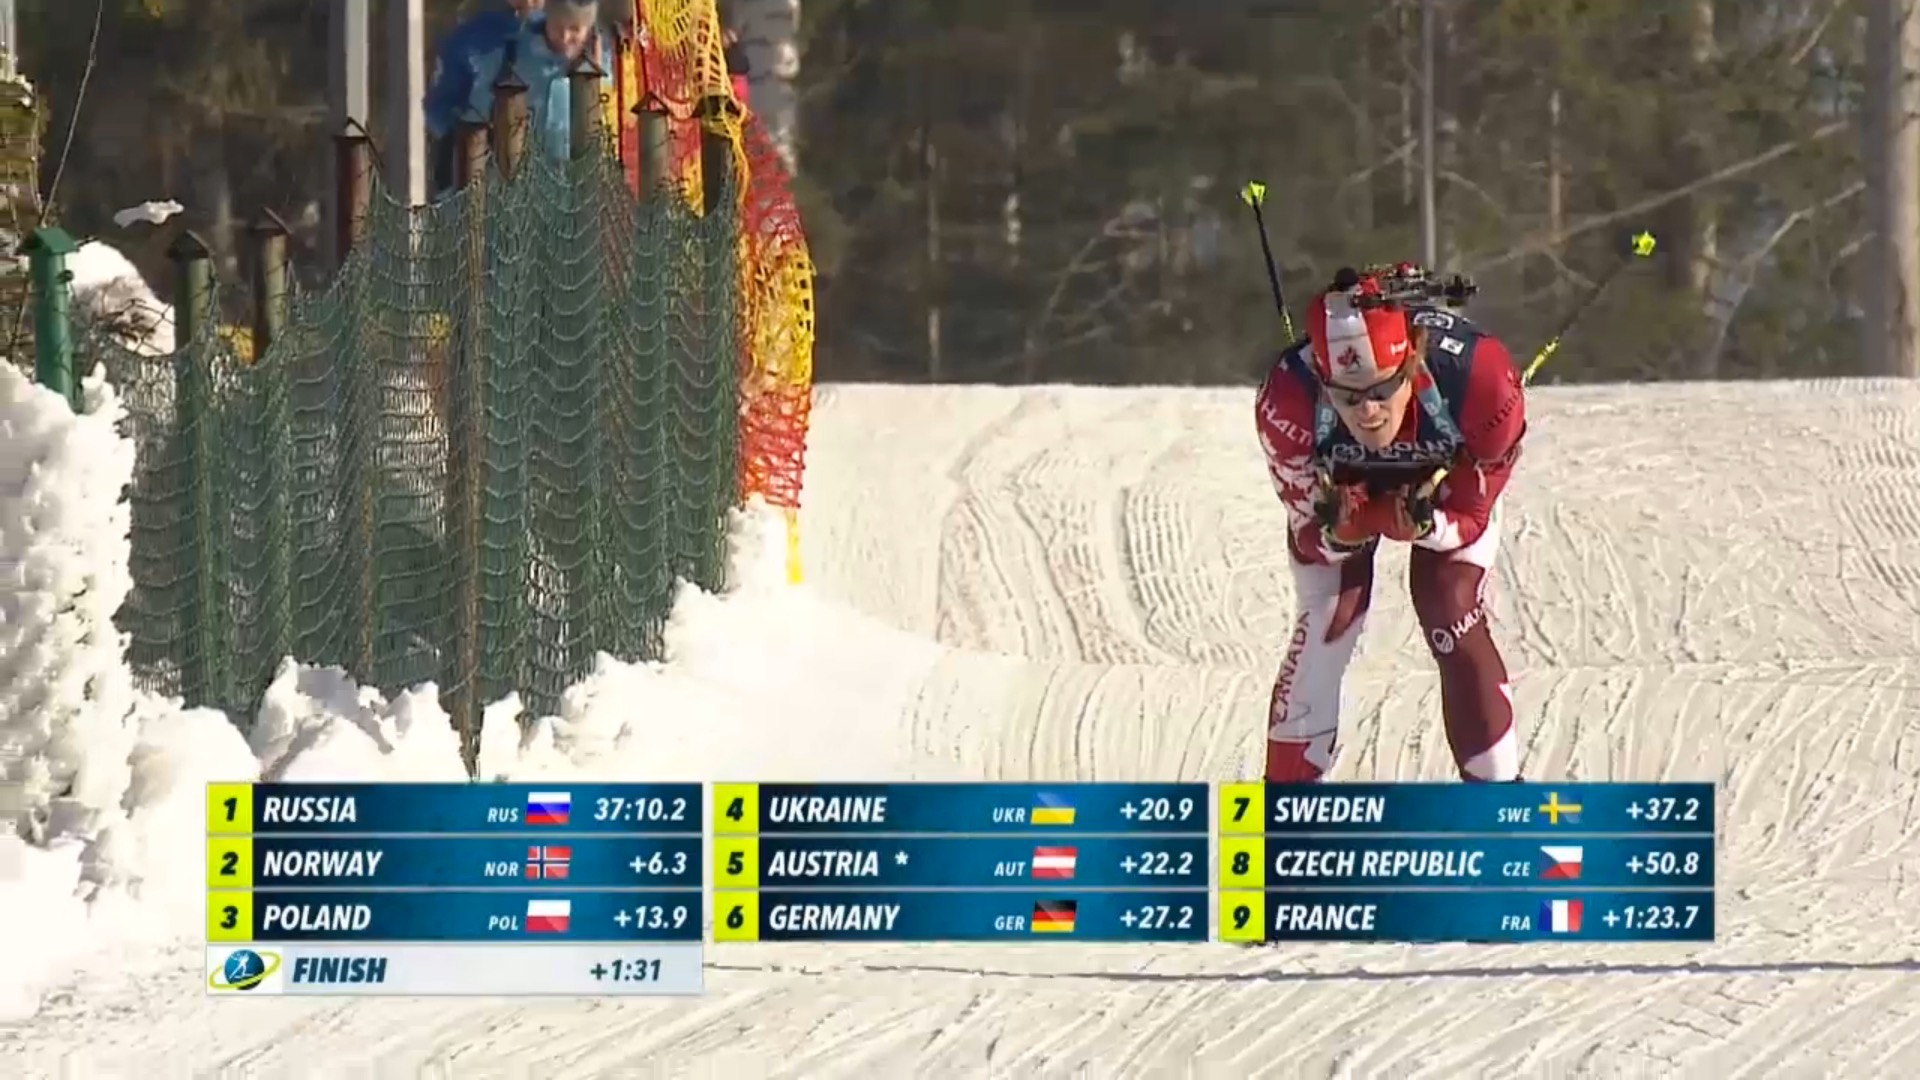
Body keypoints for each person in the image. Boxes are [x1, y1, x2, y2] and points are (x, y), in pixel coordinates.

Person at [1254, 265, 1526, 784]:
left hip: (1440, 484)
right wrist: (1340, 532)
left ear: (1414, 359)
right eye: (1348, 397)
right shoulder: (1287, 397)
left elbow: (1471, 516)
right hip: (1344, 482)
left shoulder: (1483, 379)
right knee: (1330, 614)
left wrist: (1426, 527)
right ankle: (1284, 819)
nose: (1370, 412)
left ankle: (1500, 810)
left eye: (1384, 389)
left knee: (1448, 602)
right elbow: (1311, 536)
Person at [463, 0, 604, 166]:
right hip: (518, 170)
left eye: (574, 29)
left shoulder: (602, 65)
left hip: (576, 176)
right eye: (558, 26)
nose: (565, 36)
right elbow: (477, 112)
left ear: (588, 30)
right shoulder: (515, 52)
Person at [425, 0, 546, 192]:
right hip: (475, 161)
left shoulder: (559, 34)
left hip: (542, 170)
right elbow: (439, 106)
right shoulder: (471, 37)